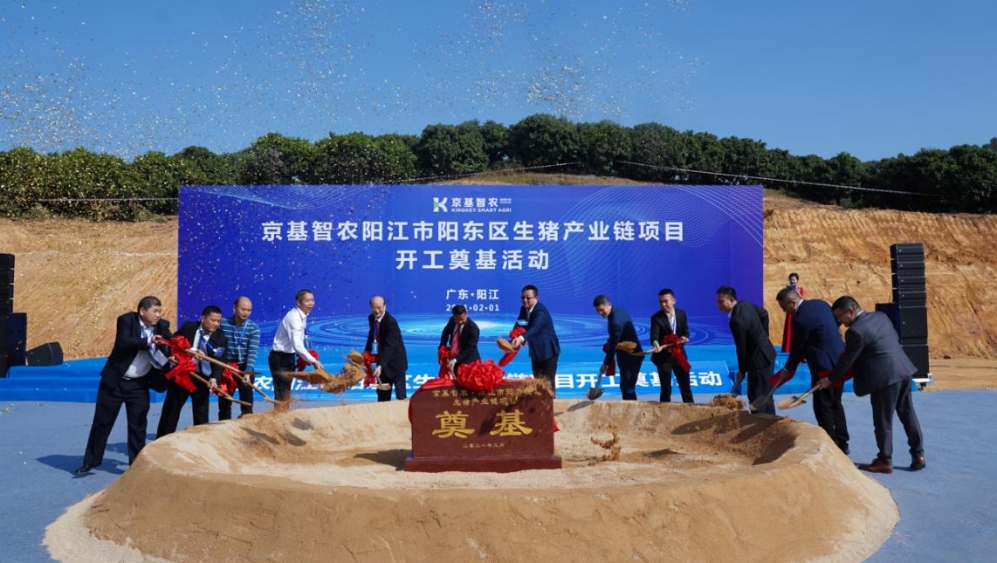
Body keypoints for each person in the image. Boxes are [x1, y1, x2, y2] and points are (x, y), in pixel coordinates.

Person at [819, 296, 925, 474]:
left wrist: (829, 380)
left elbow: (847, 361)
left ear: (851, 311)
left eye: (840, 316)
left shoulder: (855, 332)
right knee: (908, 414)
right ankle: (918, 455)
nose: (840, 322)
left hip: (884, 379)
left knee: (883, 420)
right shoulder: (881, 316)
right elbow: (889, 339)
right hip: (903, 370)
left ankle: (884, 460)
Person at [75, 296, 172, 474]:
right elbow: (123, 342)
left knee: (138, 425)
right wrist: (149, 341)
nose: (159, 315)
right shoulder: (127, 320)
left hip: (139, 384)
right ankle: (91, 461)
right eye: (155, 311)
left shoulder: (162, 326)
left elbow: (171, 344)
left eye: (160, 311)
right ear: (142, 311)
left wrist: (180, 352)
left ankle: (136, 467)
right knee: (102, 422)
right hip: (115, 382)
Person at [776, 288, 850, 453]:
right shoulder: (820, 304)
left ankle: (831, 445)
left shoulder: (800, 320)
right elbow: (832, 323)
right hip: (840, 361)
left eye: (784, 307)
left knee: (823, 407)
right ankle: (843, 442)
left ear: (792, 303)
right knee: (836, 403)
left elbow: (797, 348)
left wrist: (788, 368)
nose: (784, 311)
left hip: (823, 367)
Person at [156, 305, 228, 438]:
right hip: (183, 375)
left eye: (218, 321)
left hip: (202, 378)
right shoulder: (189, 327)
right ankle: (161, 441)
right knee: (170, 412)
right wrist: (174, 355)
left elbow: (219, 363)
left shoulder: (221, 339)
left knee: (201, 416)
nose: (216, 324)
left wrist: (214, 378)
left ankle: (200, 443)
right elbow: (173, 343)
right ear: (203, 318)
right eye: (213, 320)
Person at [716, 286, 776, 414]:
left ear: (731, 300)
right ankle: (767, 420)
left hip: (760, 360)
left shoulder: (736, 321)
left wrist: (742, 370)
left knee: (758, 396)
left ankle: (762, 422)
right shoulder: (745, 304)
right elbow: (764, 313)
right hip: (766, 352)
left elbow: (741, 348)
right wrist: (763, 337)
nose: (718, 305)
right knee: (763, 393)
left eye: (721, 302)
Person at [269, 289, 324, 402]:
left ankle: (284, 411)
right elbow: (297, 345)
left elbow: (299, 341)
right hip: (279, 358)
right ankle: (279, 412)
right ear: (298, 302)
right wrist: (313, 361)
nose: (311, 303)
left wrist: (306, 357)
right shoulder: (294, 318)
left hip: (289, 357)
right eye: (307, 301)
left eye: (312, 300)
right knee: (281, 392)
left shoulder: (303, 315)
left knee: (286, 391)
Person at [593, 295, 644, 400]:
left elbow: (613, 345)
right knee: (625, 386)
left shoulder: (615, 322)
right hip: (625, 354)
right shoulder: (618, 309)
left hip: (632, 355)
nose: (600, 313)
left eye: (602, 310)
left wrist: (606, 363)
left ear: (608, 305)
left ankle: (631, 408)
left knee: (628, 388)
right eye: (598, 311)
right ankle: (629, 407)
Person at [218, 296, 260, 420]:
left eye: (249, 310)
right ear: (234, 308)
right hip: (226, 367)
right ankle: (224, 426)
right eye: (243, 309)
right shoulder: (222, 323)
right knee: (224, 403)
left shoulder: (253, 328)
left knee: (247, 405)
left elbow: (252, 352)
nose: (246, 313)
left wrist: (247, 372)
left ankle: (246, 423)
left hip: (244, 367)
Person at [510, 284, 561, 388]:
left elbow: (535, 327)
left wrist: (521, 338)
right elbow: (519, 325)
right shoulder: (523, 309)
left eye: (528, 298)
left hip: (548, 352)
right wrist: (512, 338)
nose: (525, 300)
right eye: (523, 297)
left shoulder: (540, 311)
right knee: (538, 384)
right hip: (535, 352)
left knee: (547, 385)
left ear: (536, 297)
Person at [649, 288, 693, 403]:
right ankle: (663, 412)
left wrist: (685, 338)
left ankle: (691, 409)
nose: (663, 304)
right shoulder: (656, 318)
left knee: (685, 387)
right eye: (660, 302)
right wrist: (656, 343)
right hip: (664, 358)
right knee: (666, 389)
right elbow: (654, 335)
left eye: (665, 301)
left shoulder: (681, 314)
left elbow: (685, 331)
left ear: (673, 300)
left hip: (679, 355)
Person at [365, 295, 409, 401]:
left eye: (379, 307)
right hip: (382, 362)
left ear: (384, 306)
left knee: (401, 397)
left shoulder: (391, 323)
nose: (376, 311)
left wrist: (380, 365)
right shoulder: (371, 318)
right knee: (383, 397)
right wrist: (366, 352)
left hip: (396, 363)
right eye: (373, 307)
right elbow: (371, 336)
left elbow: (390, 347)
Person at [439, 304, 480, 374]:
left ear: (466, 315)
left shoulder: (473, 329)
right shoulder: (452, 320)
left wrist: (455, 360)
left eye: (462, 319)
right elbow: (445, 332)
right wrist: (442, 346)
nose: (460, 322)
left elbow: (469, 349)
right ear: (454, 316)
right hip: (453, 359)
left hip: (468, 362)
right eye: (457, 320)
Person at [781, 272, 805, 352]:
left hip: (797, 311)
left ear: (797, 280)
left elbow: (802, 298)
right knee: (789, 327)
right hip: (789, 311)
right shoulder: (787, 289)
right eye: (791, 280)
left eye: (794, 280)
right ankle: (787, 347)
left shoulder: (800, 289)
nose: (792, 281)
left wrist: (796, 291)